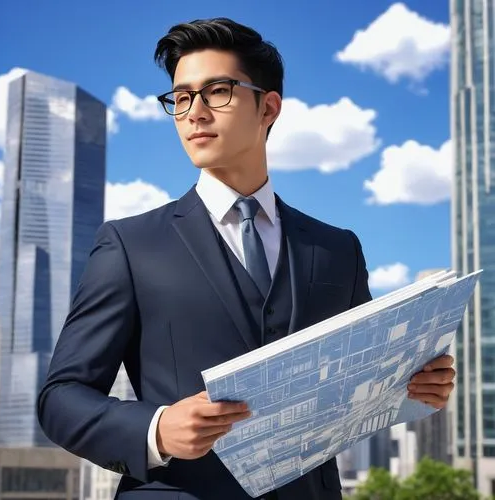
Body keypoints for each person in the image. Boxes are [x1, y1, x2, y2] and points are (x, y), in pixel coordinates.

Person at [37, 17, 456, 500]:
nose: (194, 112)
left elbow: (363, 380)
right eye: (180, 97)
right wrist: (156, 427)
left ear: (268, 107)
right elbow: (60, 398)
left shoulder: (338, 248)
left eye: (217, 91)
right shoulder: (130, 245)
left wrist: (418, 385)